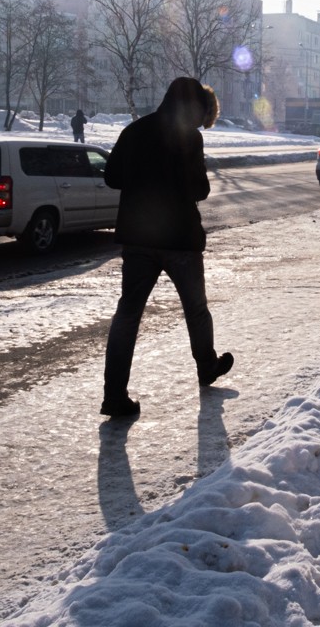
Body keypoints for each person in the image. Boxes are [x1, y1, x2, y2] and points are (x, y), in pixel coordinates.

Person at [100, 77, 233, 418]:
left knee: (128, 314)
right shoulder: (190, 139)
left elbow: (112, 177)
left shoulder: (135, 131)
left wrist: (142, 178)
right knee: (196, 309)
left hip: (139, 238)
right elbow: (199, 190)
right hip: (179, 240)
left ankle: (114, 395)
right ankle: (207, 367)